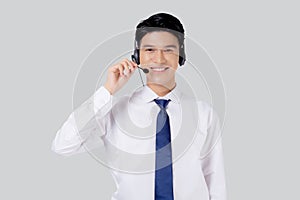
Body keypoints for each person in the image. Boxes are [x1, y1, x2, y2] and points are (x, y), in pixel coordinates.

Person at [52, 12, 227, 200]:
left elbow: (215, 180)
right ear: (137, 55)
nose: (159, 59)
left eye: (168, 50)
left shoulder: (204, 114)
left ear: (181, 55)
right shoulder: (113, 111)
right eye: (150, 50)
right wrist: (108, 90)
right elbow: (63, 145)